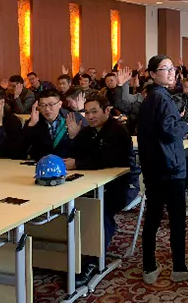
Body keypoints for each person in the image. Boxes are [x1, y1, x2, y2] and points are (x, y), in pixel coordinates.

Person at [137, 55, 188, 285]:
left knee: (153, 218)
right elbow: (169, 131)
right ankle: (179, 268)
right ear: (153, 74)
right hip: (170, 167)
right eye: (165, 69)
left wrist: (176, 121)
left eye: (172, 68)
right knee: (176, 220)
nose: (172, 72)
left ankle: (149, 267)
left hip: (154, 167)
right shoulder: (162, 98)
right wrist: (184, 126)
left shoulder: (153, 97)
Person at [63, 94, 139, 286]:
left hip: (121, 186)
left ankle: (94, 259)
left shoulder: (118, 130)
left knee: (97, 210)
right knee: (71, 204)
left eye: (94, 111)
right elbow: (76, 155)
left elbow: (108, 160)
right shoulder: (87, 132)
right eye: (87, 112)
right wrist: (73, 137)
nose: (90, 116)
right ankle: (69, 252)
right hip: (93, 184)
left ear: (107, 110)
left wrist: (78, 163)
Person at [24, 89, 87, 161]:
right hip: (41, 163)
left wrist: (74, 137)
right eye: (43, 105)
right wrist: (31, 125)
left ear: (60, 104)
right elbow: (22, 148)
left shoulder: (75, 118)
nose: (47, 109)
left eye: (51, 105)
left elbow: (87, 149)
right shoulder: (35, 119)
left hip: (67, 163)